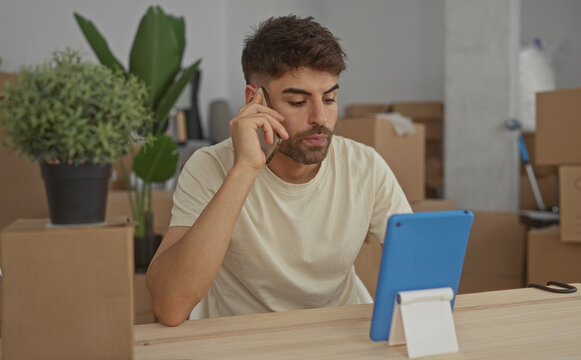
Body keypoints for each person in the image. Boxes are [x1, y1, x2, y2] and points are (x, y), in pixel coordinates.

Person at [147, 15, 411, 327]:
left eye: (330, 98)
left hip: (338, 334)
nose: (320, 118)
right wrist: (245, 168)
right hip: (244, 340)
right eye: (298, 101)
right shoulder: (210, 166)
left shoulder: (364, 165)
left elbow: (420, 272)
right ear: (254, 100)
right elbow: (170, 306)